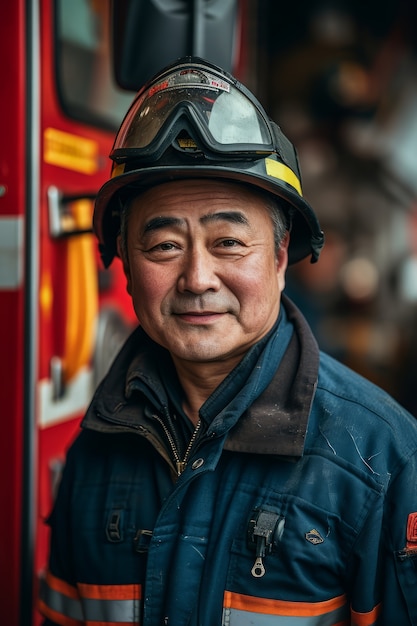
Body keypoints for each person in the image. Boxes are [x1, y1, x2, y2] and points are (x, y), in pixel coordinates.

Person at [39, 57, 417, 626]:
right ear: (127, 267)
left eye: (229, 243)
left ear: (281, 257)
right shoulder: (96, 447)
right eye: (164, 246)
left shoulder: (383, 460)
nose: (196, 278)